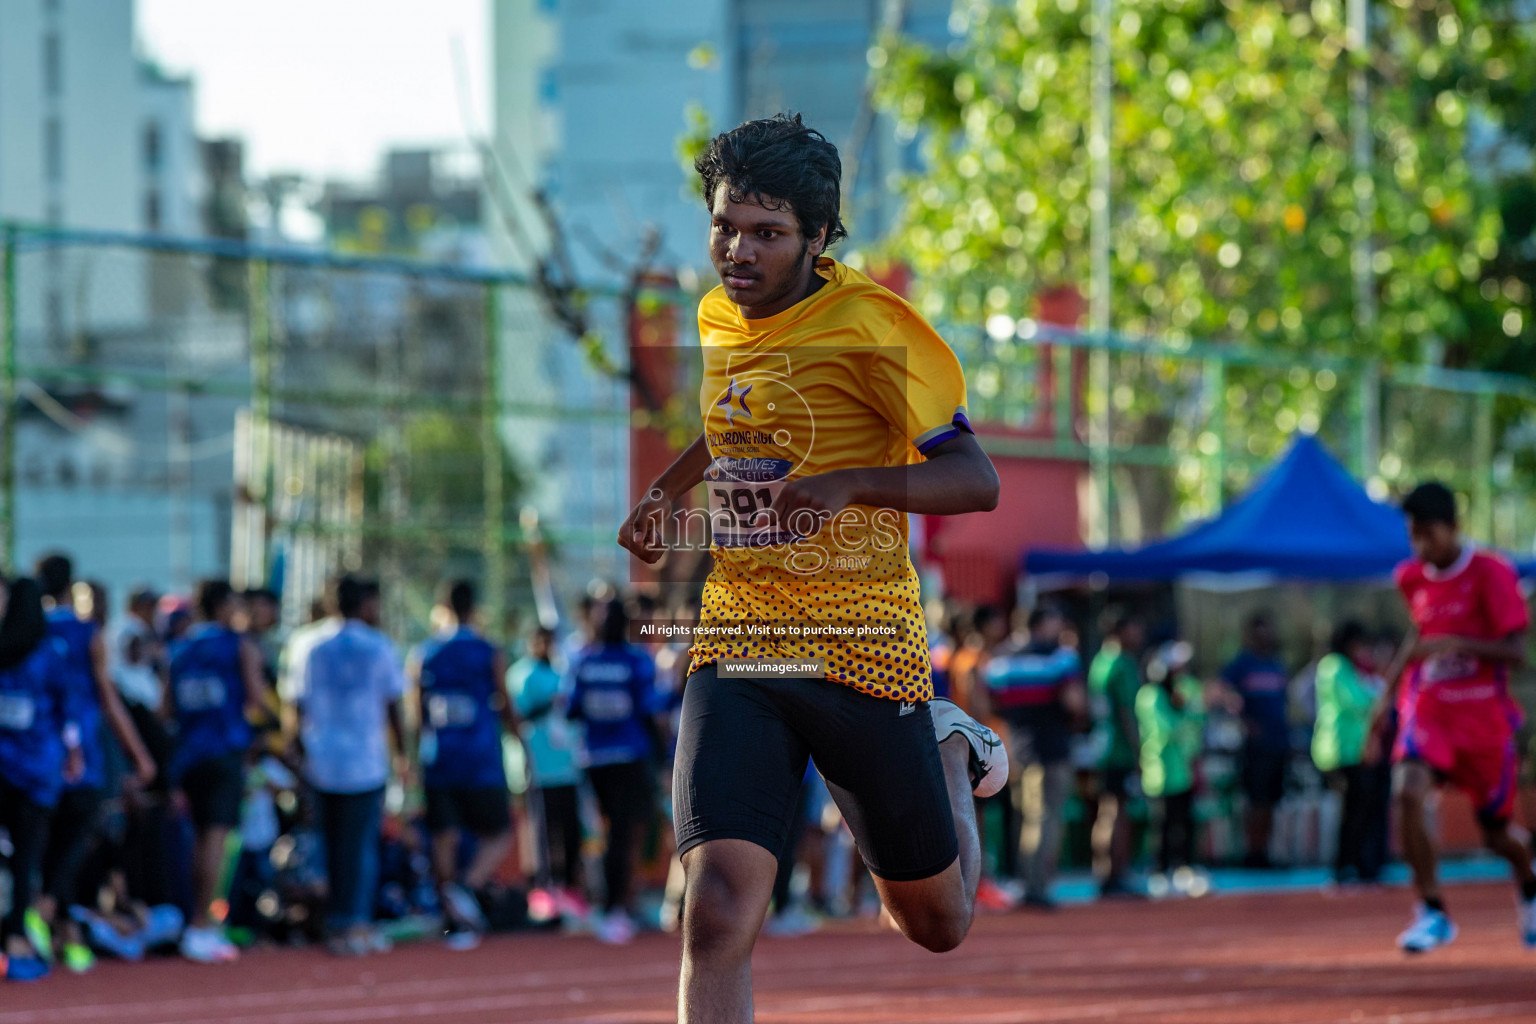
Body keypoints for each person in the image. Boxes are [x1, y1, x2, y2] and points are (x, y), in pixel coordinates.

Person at [618, 113, 1006, 1023]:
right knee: (713, 911)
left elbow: (976, 480)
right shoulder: (718, 315)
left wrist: (851, 485)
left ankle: (951, 753)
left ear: (820, 236)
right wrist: (672, 493)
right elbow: (733, 421)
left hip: (864, 650)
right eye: (724, 225)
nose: (737, 251)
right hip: (741, 643)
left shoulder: (874, 329)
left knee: (935, 922)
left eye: (767, 233)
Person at [1372, 482, 1536, 953]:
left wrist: (1458, 644)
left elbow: (1517, 652)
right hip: (1432, 711)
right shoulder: (1410, 578)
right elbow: (1419, 638)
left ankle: (1528, 883)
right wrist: (1382, 706)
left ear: (1454, 528)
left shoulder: (1492, 572)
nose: (1421, 546)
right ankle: (1432, 911)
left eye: (1429, 534)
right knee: (1406, 791)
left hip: (1484, 721)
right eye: (1413, 536)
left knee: (1498, 837)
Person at [30, 554, 154, 974]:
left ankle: (65, 930)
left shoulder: (28, 629)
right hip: (81, 753)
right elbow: (108, 699)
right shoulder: (86, 635)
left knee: (48, 843)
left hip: (36, 752)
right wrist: (138, 754)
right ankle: (46, 914)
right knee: (74, 843)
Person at [286, 575, 406, 957]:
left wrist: (296, 752)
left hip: (321, 759)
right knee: (359, 847)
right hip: (365, 761)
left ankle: (332, 922)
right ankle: (354, 923)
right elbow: (394, 704)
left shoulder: (306, 643)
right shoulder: (379, 645)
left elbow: (295, 702)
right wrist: (403, 754)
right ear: (366, 603)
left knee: (327, 845)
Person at [410, 580, 519, 949]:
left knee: (444, 835)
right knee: (500, 831)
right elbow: (504, 701)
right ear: (475, 607)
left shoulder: (425, 652)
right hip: (480, 759)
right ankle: (466, 887)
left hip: (439, 757)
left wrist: (411, 758)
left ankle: (453, 913)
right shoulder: (489, 650)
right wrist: (519, 739)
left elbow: (416, 712)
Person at [166, 579, 269, 963]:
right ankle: (203, 923)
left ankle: (199, 919)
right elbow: (256, 701)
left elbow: (168, 707)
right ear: (224, 606)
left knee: (198, 838)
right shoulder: (238, 646)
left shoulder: (181, 649)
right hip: (224, 751)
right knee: (217, 839)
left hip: (188, 754)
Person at [566, 598, 664, 944]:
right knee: (626, 834)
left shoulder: (584, 660)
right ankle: (615, 908)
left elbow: (571, 709)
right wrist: (664, 756)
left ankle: (613, 904)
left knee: (608, 834)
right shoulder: (637, 661)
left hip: (594, 759)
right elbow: (649, 711)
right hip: (629, 757)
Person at [0, 577, 79, 982]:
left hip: (24, 771)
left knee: (20, 858)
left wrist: (71, 750)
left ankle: (15, 935)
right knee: (24, 857)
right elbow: (68, 710)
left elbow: (65, 708)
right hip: (32, 772)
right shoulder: (49, 651)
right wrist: (74, 751)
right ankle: (14, 937)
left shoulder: (40, 653)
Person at [980, 607, 1085, 909]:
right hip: (1052, 748)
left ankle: (1026, 880)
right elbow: (1074, 701)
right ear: (1043, 623)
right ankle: (1037, 884)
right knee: (1047, 817)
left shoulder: (1000, 658)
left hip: (1017, 748)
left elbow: (988, 702)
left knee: (1026, 817)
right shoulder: (1060, 657)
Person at [508, 625, 587, 918]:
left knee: (569, 831)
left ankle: (570, 890)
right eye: (540, 640)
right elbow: (517, 717)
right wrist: (549, 702)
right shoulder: (521, 674)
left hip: (567, 767)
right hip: (539, 768)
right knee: (542, 830)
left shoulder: (561, 673)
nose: (546, 646)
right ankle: (543, 891)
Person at [1311, 620, 1387, 886]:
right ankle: (1343, 867)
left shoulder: (1352, 668)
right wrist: (1377, 692)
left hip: (1356, 751)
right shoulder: (1333, 666)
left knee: (1360, 809)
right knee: (1349, 811)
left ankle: (1357, 864)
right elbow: (1356, 701)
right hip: (1337, 751)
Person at [1221, 611, 1289, 868]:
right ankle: (1253, 851)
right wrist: (1243, 720)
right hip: (1256, 747)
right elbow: (1221, 690)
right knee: (1256, 801)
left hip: (1278, 743)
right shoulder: (1242, 663)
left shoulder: (1277, 663)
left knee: (1272, 801)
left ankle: (1265, 852)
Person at [1137, 641, 1205, 892]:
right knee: (1162, 823)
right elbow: (1165, 730)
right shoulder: (1150, 696)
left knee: (1185, 821)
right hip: (1160, 771)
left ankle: (1184, 869)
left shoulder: (1183, 690)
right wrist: (1183, 711)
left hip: (1184, 769)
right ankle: (1159, 871)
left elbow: (1197, 723)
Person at [1088, 612, 1145, 897]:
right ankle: (1116, 874)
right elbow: (1126, 712)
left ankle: (1105, 872)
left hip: (1101, 748)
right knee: (1118, 813)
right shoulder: (1122, 664)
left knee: (1106, 811)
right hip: (1118, 751)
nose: (1139, 634)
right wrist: (1139, 752)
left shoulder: (1100, 661)